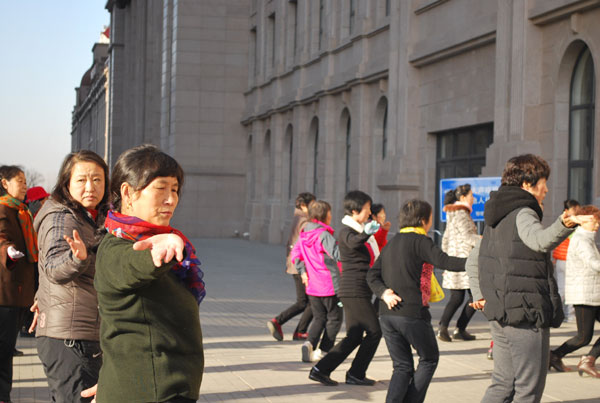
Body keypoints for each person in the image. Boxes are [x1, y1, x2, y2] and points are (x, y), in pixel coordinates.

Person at [467, 154, 588, 403]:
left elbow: (472, 260)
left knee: (502, 385)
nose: (546, 190)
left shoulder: (496, 215)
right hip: (525, 315)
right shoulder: (523, 212)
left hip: (500, 313)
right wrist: (565, 223)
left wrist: (480, 295)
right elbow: (539, 241)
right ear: (526, 184)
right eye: (544, 183)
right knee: (528, 390)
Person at [89, 144, 204, 403]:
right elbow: (133, 265)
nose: (171, 199)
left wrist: (114, 380)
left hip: (154, 387)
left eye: (174, 189)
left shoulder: (151, 238)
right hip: (155, 392)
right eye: (161, 188)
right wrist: (160, 252)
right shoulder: (118, 247)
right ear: (128, 193)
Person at [367, 199, 466, 403]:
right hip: (411, 313)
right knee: (429, 359)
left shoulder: (392, 242)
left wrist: (384, 293)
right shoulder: (421, 241)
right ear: (423, 220)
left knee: (402, 366)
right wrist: (477, 261)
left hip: (387, 314)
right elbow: (445, 261)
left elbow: (372, 275)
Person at [32, 150, 109, 402]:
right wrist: (77, 258)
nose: (90, 187)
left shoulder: (89, 215)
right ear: (67, 183)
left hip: (79, 334)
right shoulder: (61, 217)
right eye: (81, 180)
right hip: (70, 339)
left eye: (97, 179)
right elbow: (54, 266)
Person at [308, 190, 381, 386]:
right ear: (355, 210)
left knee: (354, 336)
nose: (369, 213)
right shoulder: (347, 232)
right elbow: (353, 243)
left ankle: (321, 370)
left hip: (359, 290)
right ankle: (356, 373)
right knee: (374, 332)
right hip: (354, 290)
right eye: (366, 209)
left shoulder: (360, 231)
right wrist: (366, 233)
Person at [549, 204, 600, 378]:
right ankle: (555, 355)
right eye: (594, 221)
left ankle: (587, 359)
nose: (597, 225)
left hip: (592, 294)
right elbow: (593, 263)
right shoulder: (581, 239)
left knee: (583, 336)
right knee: (583, 337)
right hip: (584, 294)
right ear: (583, 221)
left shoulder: (587, 238)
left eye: (598, 221)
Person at [0, 165, 37, 403]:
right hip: (6, 292)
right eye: (19, 181)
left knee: (7, 347)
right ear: (5, 183)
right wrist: (8, 251)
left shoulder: (22, 211)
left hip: (20, 291)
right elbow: (1, 237)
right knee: (3, 349)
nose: (24, 186)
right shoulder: (3, 208)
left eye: (25, 181)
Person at [290, 200, 342, 363]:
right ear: (324, 215)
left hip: (312, 285)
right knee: (335, 318)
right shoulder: (324, 235)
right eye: (330, 213)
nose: (331, 216)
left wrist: (303, 272)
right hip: (329, 285)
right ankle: (325, 350)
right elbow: (338, 255)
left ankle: (309, 343)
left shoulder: (304, 235)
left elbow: (295, 255)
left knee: (319, 318)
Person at [267, 192, 315, 341]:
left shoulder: (297, 218)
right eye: (312, 205)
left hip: (296, 265)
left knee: (305, 301)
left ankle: (290, 327)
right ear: (303, 205)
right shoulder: (305, 221)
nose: (314, 208)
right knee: (310, 302)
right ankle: (287, 325)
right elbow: (303, 247)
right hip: (301, 267)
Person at [437, 184, 480, 342]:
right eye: (471, 195)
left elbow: (445, 239)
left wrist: (446, 261)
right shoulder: (462, 214)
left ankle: (445, 328)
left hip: (454, 261)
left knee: (457, 297)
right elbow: (468, 237)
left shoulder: (453, 214)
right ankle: (457, 329)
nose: (473, 198)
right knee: (475, 296)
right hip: (464, 261)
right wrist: (484, 240)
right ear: (463, 197)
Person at [552, 199, 580, 323]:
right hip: (568, 260)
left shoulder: (559, 222)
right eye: (575, 209)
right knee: (570, 288)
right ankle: (569, 315)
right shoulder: (572, 224)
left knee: (561, 288)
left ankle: (556, 313)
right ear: (567, 210)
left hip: (560, 260)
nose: (577, 211)